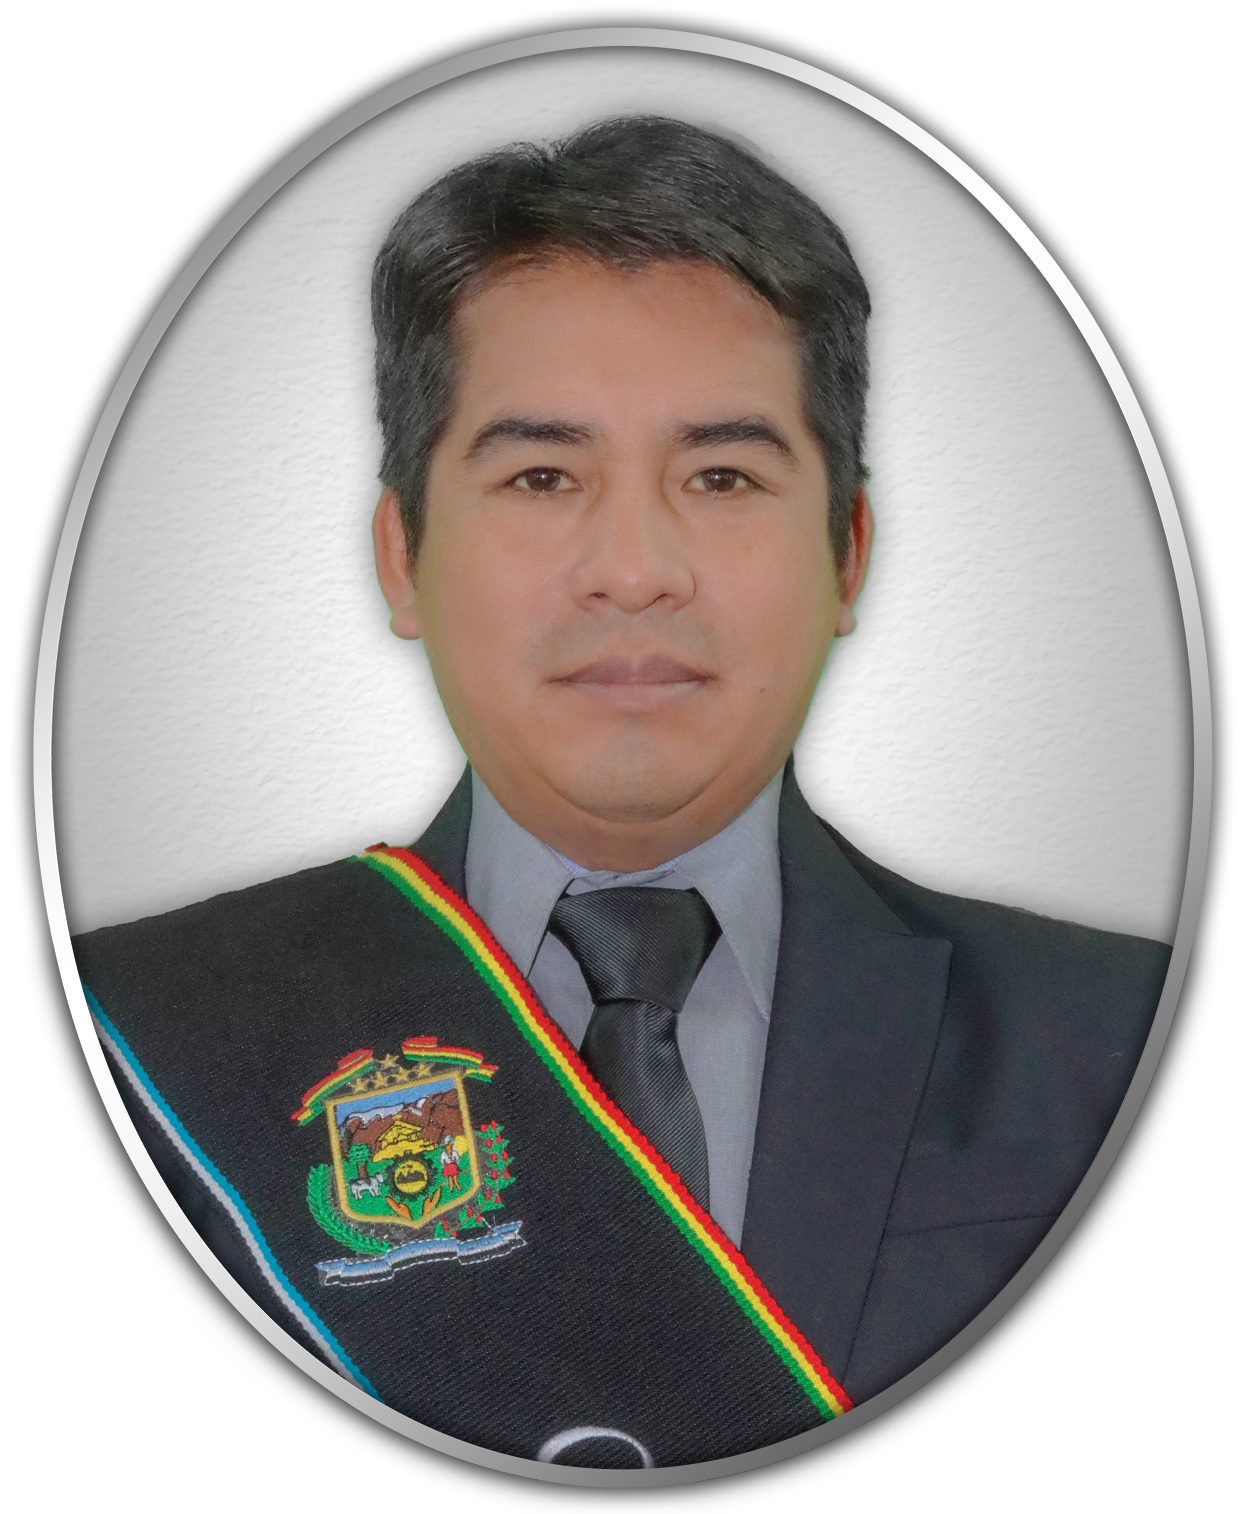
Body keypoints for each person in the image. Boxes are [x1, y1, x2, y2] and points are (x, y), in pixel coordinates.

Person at [73, 116, 1168, 1471]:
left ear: (848, 551)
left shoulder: (1127, 1044)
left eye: (722, 475)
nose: (636, 569)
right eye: (542, 475)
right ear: (403, 554)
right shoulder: (121, 1052)